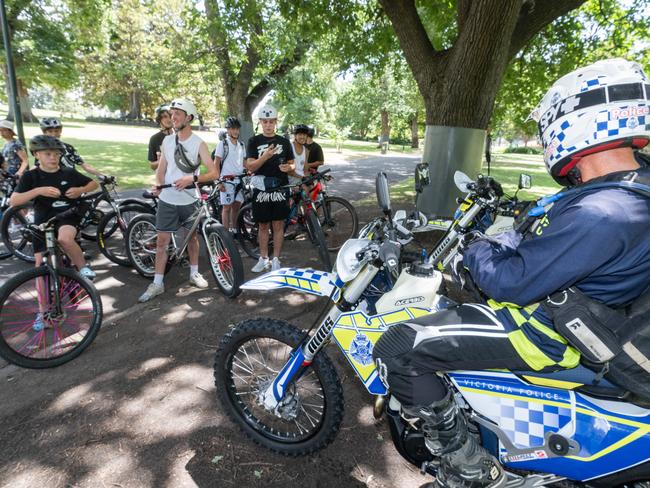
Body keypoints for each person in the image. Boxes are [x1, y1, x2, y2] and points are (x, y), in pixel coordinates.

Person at [373, 58, 650, 488]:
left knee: (397, 346)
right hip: (595, 318)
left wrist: (478, 249)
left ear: (579, 120)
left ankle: (467, 468)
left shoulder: (605, 211)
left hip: (546, 330)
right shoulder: (630, 187)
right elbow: (551, 241)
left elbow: (509, 281)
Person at [138, 98, 217, 303]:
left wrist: (192, 178)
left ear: (188, 118)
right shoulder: (167, 141)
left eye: (177, 114)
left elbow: (214, 172)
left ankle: (194, 274)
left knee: (192, 239)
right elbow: (161, 169)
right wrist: (158, 185)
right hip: (167, 199)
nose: (173, 118)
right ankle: (157, 283)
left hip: (190, 199)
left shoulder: (198, 143)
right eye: (171, 114)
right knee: (162, 241)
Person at [10, 135, 99, 282]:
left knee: (65, 239)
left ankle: (83, 269)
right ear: (36, 154)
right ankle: (43, 303)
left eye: (57, 154)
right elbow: (14, 200)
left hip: (66, 215)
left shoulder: (68, 172)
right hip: (43, 219)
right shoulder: (30, 176)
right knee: (39, 262)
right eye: (48, 154)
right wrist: (38, 191)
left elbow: (93, 184)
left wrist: (80, 190)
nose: (53, 157)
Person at [245, 105, 294, 272]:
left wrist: (290, 168)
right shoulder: (254, 141)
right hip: (260, 189)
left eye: (271, 121)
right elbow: (250, 167)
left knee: (278, 225)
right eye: (265, 121)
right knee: (263, 225)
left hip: (280, 188)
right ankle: (263, 258)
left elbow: (291, 163)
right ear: (260, 122)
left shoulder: (284, 142)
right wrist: (265, 156)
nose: (268, 125)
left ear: (275, 122)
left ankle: (276, 259)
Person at [38, 118, 103, 177]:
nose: (54, 134)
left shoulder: (69, 148)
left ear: (60, 131)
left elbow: (84, 165)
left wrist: (101, 175)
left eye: (56, 131)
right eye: (50, 131)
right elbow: (37, 167)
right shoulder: (42, 149)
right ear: (44, 133)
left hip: (71, 180)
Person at [214, 116, 246, 233]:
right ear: (228, 130)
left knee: (236, 207)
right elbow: (216, 163)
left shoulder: (241, 145)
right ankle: (226, 234)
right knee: (226, 208)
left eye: (237, 129)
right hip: (226, 180)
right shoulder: (222, 144)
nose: (235, 131)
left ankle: (234, 229)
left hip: (239, 180)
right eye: (232, 129)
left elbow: (244, 162)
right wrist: (218, 182)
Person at [148, 104, 173, 171]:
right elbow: (152, 165)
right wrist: (162, 160)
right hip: (163, 178)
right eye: (165, 117)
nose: (169, 119)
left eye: (170, 116)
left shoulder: (180, 136)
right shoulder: (155, 139)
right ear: (159, 119)